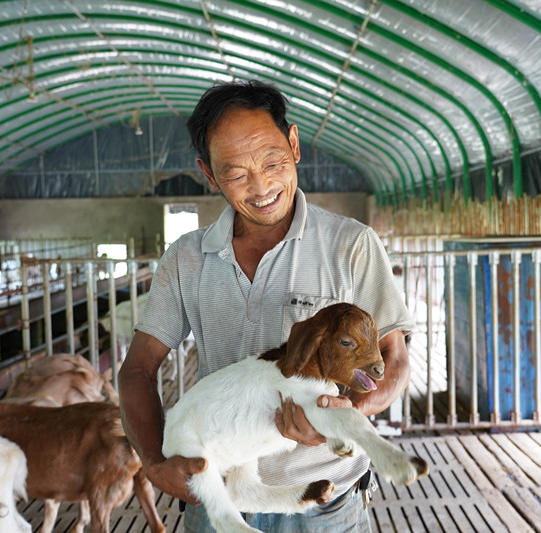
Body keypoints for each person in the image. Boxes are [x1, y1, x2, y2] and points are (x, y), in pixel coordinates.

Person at [118, 79, 415, 532]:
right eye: (236, 174)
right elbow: (137, 369)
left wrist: (345, 414)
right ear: (209, 174)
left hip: (327, 506)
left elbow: (392, 360)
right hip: (218, 495)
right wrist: (156, 463)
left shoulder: (351, 244)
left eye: (273, 161)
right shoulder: (186, 257)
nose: (261, 186)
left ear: (294, 144)